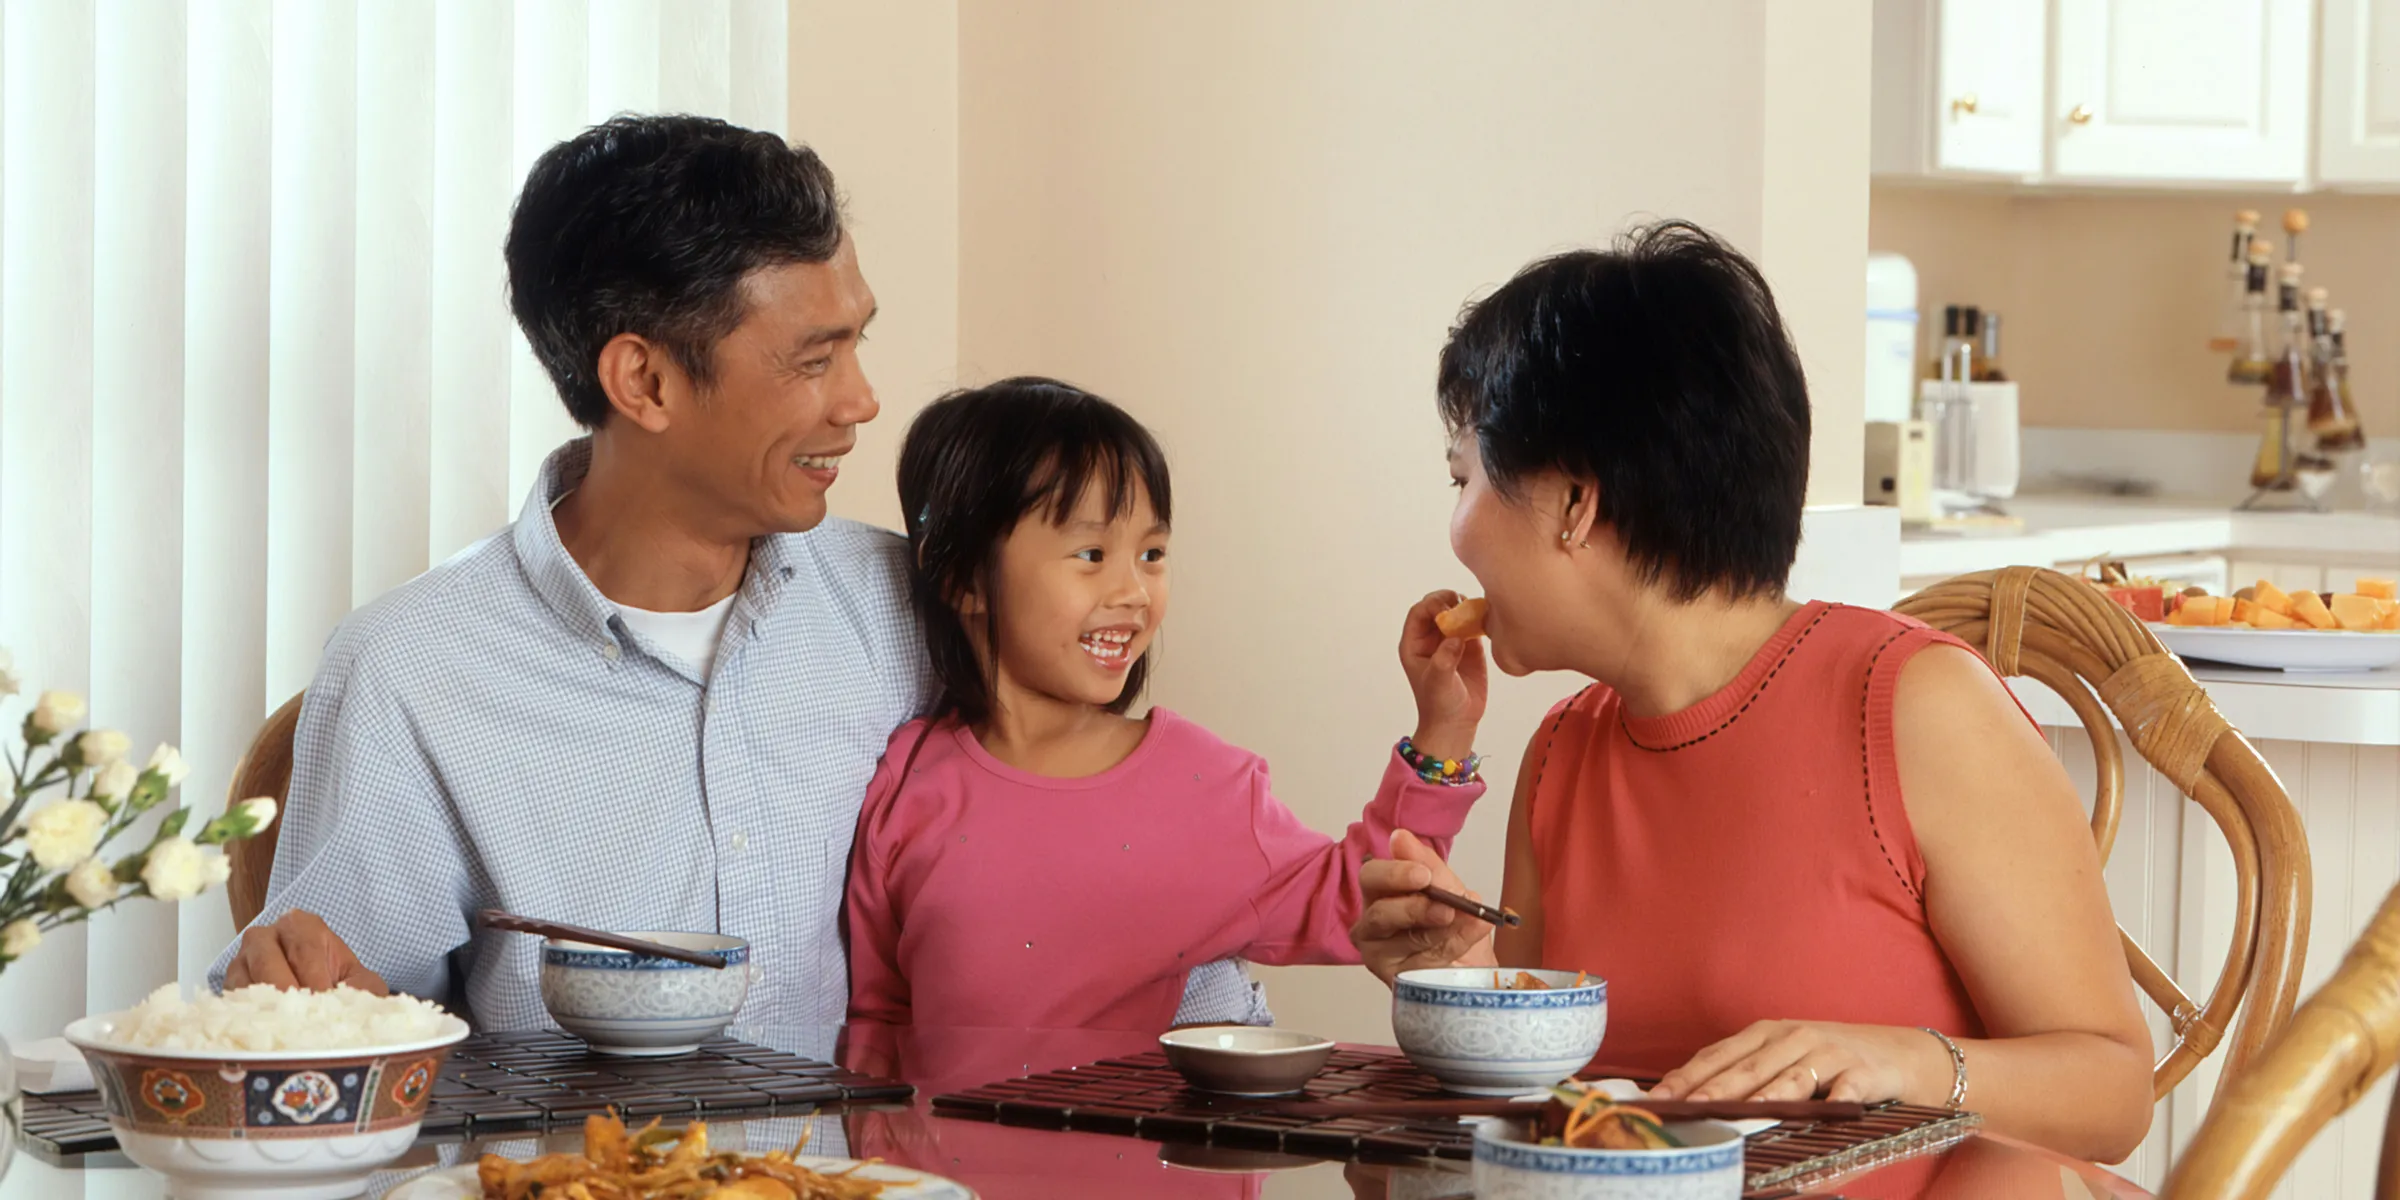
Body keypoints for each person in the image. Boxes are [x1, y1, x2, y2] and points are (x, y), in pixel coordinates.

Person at [1346, 223, 2153, 1162]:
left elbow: (2114, 1091)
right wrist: (1460, 975)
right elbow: (1565, 1114)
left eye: (1465, 478)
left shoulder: (1918, 709)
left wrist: (1896, 1063)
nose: (1456, 531)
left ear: (1576, 501)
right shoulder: (1564, 751)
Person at [212, 115, 933, 1030]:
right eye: (816, 360)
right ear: (645, 383)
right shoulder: (411, 672)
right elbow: (324, 1029)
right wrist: (298, 1001)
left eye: (857, 344)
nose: (862, 401)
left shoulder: (908, 608)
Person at [844, 377, 1489, 1030]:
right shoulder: (907, 780)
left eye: (1152, 554)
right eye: (1091, 554)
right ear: (960, 577)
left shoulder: (1204, 783)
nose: (1133, 591)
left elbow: (1363, 895)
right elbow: (878, 1020)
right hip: (930, 1136)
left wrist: (1445, 728)